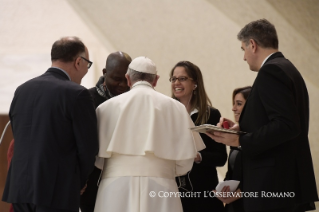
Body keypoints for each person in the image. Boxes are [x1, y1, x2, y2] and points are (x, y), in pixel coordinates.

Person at [207, 19, 318, 212]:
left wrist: (240, 140)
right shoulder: (288, 69)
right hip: (284, 180)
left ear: (252, 44)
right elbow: (280, 120)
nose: (244, 57)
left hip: (271, 183)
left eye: (243, 49)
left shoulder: (271, 71)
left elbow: (286, 125)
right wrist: (241, 128)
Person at [94, 56, 205, 212]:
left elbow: (97, 159)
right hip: (161, 187)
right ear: (156, 80)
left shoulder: (105, 108)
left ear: (128, 78)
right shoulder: (176, 108)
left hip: (115, 187)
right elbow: (185, 161)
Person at [2, 36, 99, 212]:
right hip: (56, 189)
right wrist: (79, 181)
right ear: (79, 62)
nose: (86, 70)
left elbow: (18, 135)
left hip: (20, 187)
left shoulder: (22, 90)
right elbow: (88, 148)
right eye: (88, 64)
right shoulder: (78, 94)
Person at [170, 61, 227, 212]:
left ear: (195, 83)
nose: (176, 82)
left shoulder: (211, 115)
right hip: (173, 192)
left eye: (182, 78)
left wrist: (198, 157)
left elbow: (221, 158)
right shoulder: (166, 114)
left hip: (203, 193)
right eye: (173, 78)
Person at [80, 51, 132, 212]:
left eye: (126, 80)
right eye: (117, 79)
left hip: (126, 178)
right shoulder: (87, 99)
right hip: (93, 181)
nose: (122, 85)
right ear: (104, 73)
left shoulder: (135, 100)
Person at [216, 86, 251, 212]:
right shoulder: (239, 135)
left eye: (239, 104)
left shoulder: (257, 138)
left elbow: (260, 178)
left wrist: (235, 195)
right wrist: (223, 189)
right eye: (234, 103)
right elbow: (233, 171)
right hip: (234, 206)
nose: (233, 108)